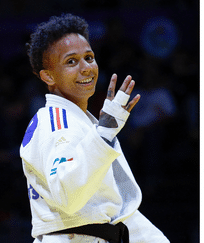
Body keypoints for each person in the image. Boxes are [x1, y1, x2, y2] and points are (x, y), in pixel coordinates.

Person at [20, 13, 169, 243]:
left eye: (89, 57)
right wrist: (104, 134)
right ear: (48, 76)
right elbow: (68, 195)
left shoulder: (80, 122)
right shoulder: (57, 123)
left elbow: (115, 213)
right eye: (71, 61)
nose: (86, 68)